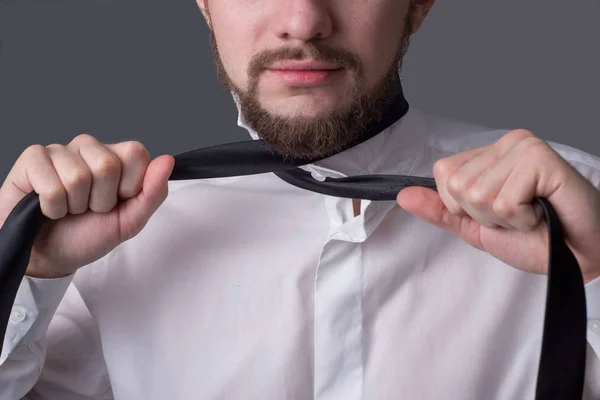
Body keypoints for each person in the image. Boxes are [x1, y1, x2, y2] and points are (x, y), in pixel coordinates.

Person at [0, 0, 599, 398]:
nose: (304, 22)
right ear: (205, 3)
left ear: (417, 4)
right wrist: (23, 270)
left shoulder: (579, 206)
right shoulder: (97, 237)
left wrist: (596, 272)